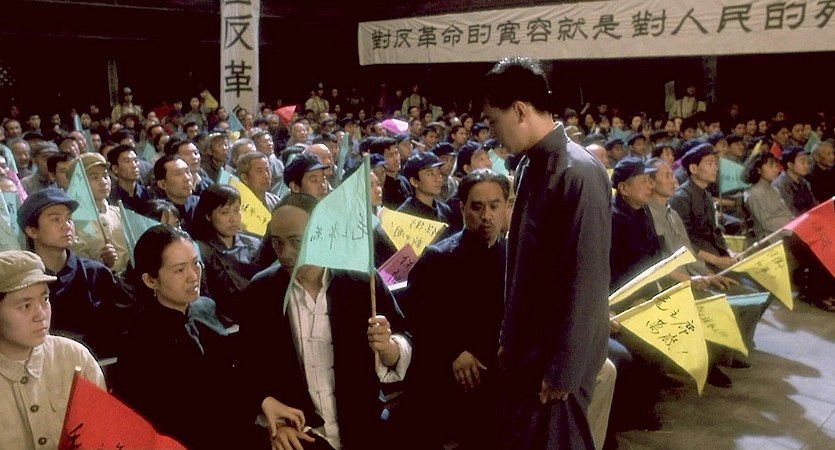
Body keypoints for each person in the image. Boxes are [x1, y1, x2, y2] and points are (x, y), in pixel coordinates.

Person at [482, 57, 610, 450]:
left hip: (557, 360)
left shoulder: (579, 173)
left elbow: (587, 280)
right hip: (527, 350)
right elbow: (519, 264)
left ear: (520, 110)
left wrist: (564, 369)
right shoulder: (529, 167)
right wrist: (509, 337)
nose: (492, 133)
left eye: (493, 121)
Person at [238, 193, 411, 450]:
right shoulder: (262, 291)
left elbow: (403, 340)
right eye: (277, 242)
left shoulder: (361, 280)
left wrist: (388, 347)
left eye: (296, 241)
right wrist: (272, 420)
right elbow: (248, 368)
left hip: (364, 426)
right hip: (304, 437)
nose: (285, 254)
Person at [112, 225, 275, 450]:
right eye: (179, 270)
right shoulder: (139, 341)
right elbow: (177, 418)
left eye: (196, 263)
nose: (193, 276)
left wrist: (264, 403)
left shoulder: (205, 308)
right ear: (150, 280)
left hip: (234, 431)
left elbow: (231, 378)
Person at [405, 169, 509, 449]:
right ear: (463, 209)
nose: (487, 216)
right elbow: (418, 318)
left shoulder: (514, 257)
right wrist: (453, 352)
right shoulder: (438, 258)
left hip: (499, 371)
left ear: (506, 207)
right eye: (477, 207)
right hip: (447, 371)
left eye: (494, 206)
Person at [0, 250, 106, 450]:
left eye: (45, 300)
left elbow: (105, 434)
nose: (41, 315)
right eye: (25, 306)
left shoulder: (74, 356)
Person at [18, 188, 132, 358]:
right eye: (55, 219)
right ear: (32, 231)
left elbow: (123, 326)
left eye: (69, 219)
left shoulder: (95, 273)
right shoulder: (22, 282)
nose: (66, 225)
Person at [191, 184, 263, 325]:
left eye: (237, 210)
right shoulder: (200, 250)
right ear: (208, 215)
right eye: (225, 212)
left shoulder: (254, 243)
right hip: (225, 323)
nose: (233, 218)